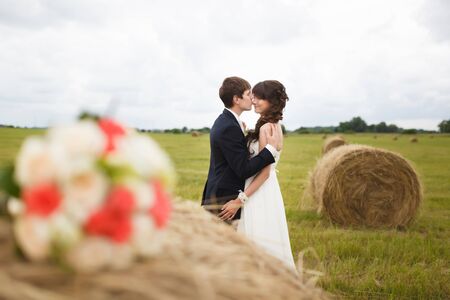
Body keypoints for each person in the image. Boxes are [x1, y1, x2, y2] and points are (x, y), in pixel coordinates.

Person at [219, 80, 296, 269]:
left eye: (260, 98)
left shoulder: (266, 128)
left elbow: (265, 172)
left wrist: (240, 199)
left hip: (258, 191)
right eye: (253, 96)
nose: (254, 101)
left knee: (256, 243)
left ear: (271, 101)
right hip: (267, 191)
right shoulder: (274, 125)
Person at [201, 76, 280, 225]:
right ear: (237, 99)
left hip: (220, 195)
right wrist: (270, 150)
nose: (252, 97)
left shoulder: (226, 122)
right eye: (248, 93)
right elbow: (243, 169)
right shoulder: (229, 127)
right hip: (223, 201)